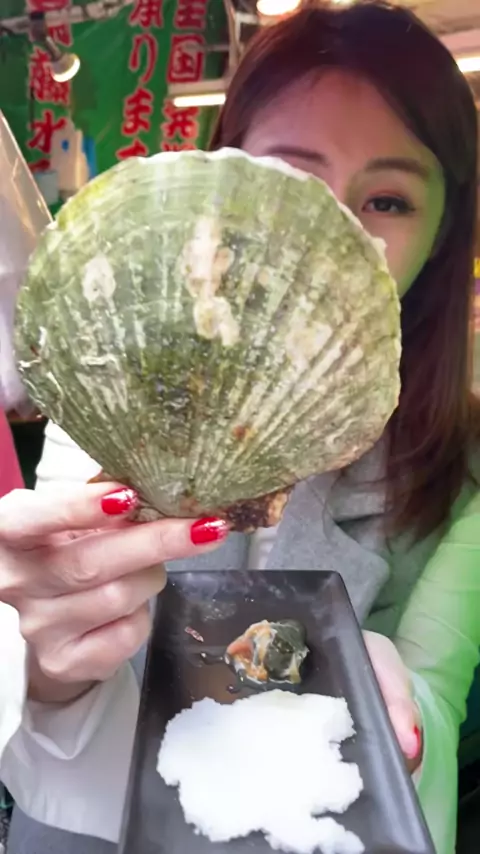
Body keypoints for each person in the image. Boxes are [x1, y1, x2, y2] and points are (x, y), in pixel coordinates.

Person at [1, 3, 479, 853]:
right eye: (289, 179)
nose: (334, 233)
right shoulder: (117, 379)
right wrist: (48, 666)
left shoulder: (466, 467)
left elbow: (432, 707)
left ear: (442, 236)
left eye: (387, 199)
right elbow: (51, 714)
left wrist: (395, 718)